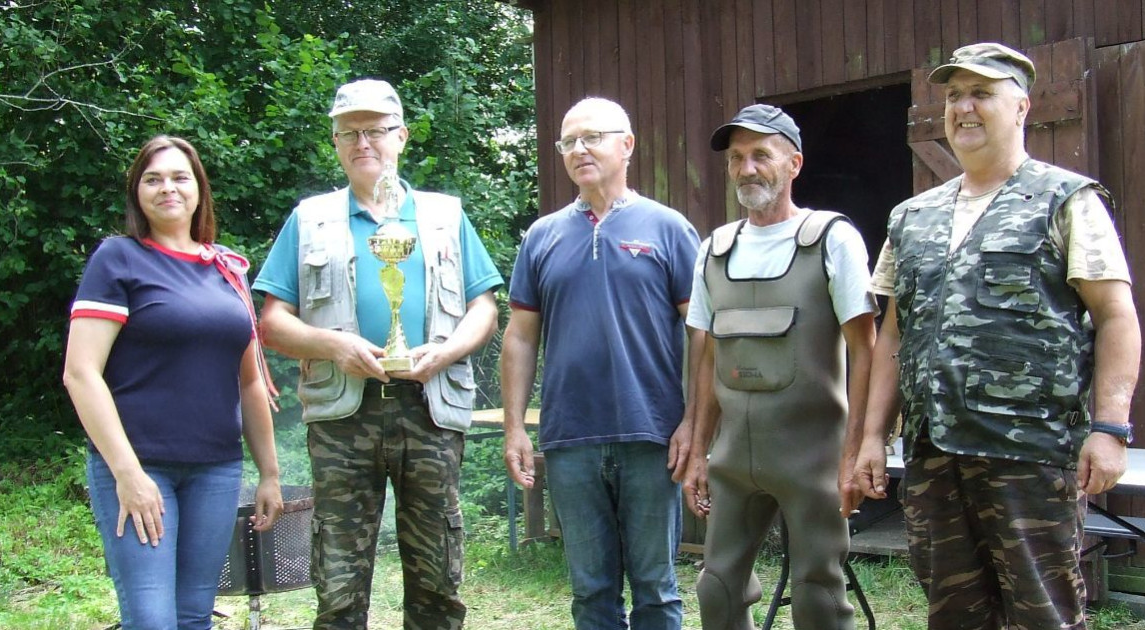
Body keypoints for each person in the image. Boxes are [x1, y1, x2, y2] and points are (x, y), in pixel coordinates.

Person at [852, 43, 1142, 630]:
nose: (964, 108)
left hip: (1029, 455)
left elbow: (1116, 316)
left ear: (1021, 107)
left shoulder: (1066, 200)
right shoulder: (911, 217)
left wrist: (1110, 428)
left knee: (1043, 613)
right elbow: (894, 334)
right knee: (952, 612)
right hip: (935, 457)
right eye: (954, 96)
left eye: (982, 93)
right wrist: (872, 437)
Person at [253, 79, 502, 629]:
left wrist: (446, 352)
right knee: (338, 583)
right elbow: (271, 323)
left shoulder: (445, 215)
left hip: (430, 409)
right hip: (343, 416)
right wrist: (334, 345)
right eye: (349, 133)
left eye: (376, 130)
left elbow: (484, 308)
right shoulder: (310, 218)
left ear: (402, 136)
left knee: (437, 579)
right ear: (335, 143)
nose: (363, 142)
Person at [63, 135, 284, 629]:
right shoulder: (118, 259)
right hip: (140, 466)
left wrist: (269, 473)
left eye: (180, 177)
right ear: (137, 192)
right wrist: (128, 473)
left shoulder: (226, 268)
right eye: (153, 179)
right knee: (151, 620)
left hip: (216, 470)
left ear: (199, 189)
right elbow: (80, 373)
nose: (168, 188)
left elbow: (249, 382)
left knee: (193, 617)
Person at [500, 96, 702, 629]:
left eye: (592, 137)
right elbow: (519, 337)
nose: (579, 149)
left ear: (627, 145)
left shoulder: (669, 228)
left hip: (652, 435)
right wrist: (515, 426)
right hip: (570, 439)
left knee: (656, 588)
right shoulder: (541, 237)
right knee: (590, 593)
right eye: (568, 141)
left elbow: (704, 336)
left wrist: (693, 421)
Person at [680, 104, 878, 630]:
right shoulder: (713, 250)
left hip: (813, 458)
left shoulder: (831, 238)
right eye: (736, 157)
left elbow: (865, 349)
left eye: (761, 155)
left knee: (818, 594)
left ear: (794, 164)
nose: (746, 169)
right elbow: (707, 356)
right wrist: (697, 450)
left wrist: (856, 452)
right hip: (732, 460)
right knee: (717, 588)